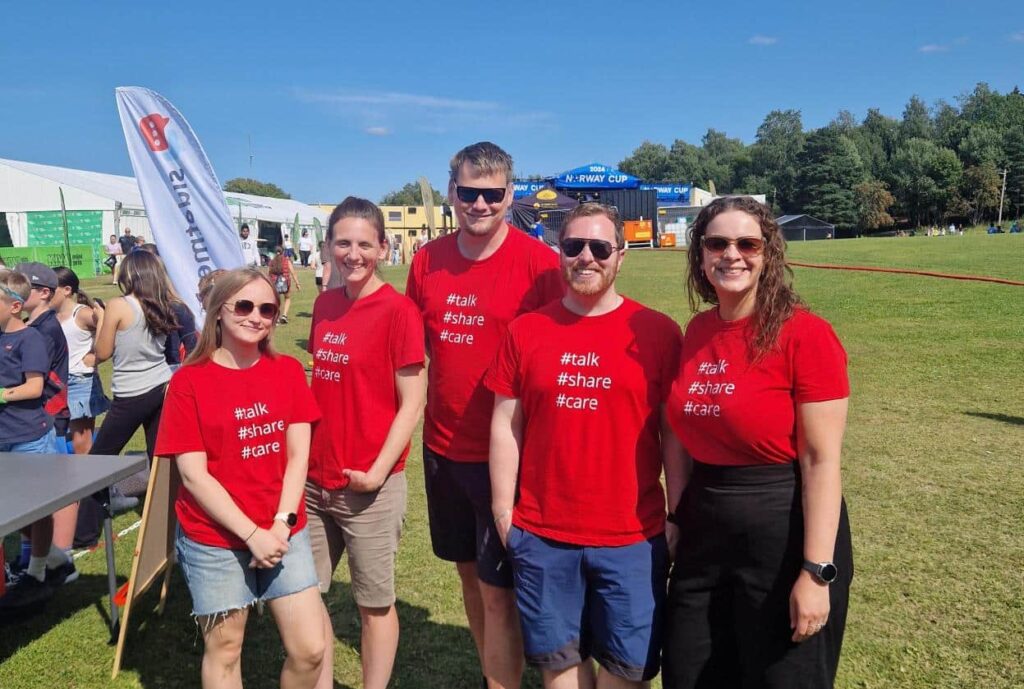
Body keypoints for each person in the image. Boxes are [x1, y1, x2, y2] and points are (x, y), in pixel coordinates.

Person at [660, 196, 853, 689]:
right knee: (690, 670)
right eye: (717, 243)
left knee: (779, 677)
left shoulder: (806, 334)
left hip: (782, 528)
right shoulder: (698, 331)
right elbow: (679, 434)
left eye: (747, 243)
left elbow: (821, 459)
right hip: (705, 529)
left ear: (769, 254)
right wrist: (677, 514)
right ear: (700, 255)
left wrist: (815, 572)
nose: (732, 254)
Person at [487, 203, 682, 688]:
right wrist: (504, 514)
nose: (586, 257)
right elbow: (506, 426)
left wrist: (677, 514)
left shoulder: (657, 332)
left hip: (632, 537)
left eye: (600, 247)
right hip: (544, 535)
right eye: (574, 246)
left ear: (621, 255)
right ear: (560, 253)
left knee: (625, 676)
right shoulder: (526, 331)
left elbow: (673, 435)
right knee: (561, 673)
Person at [406, 141, 563, 689]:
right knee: (470, 577)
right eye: (469, 192)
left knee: (508, 590)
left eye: (491, 194)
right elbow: (417, 354)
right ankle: (494, 670)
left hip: (509, 455)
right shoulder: (426, 260)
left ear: (509, 194)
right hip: (443, 449)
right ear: (452, 191)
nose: (479, 203)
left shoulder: (541, 264)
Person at [155, 268, 326, 689]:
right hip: (214, 538)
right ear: (218, 311)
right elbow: (193, 476)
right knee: (226, 649)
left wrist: (280, 525)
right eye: (244, 306)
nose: (257, 317)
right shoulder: (188, 384)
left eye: (267, 308)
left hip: (283, 530)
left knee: (311, 649)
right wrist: (252, 534)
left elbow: (298, 455)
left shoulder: (286, 371)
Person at [306, 197, 426, 689]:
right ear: (329, 247)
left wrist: (377, 471)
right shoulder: (323, 305)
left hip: (369, 488)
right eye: (343, 243)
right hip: (313, 484)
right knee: (305, 597)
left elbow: (411, 402)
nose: (353, 254)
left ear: (382, 245)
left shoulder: (399, 312)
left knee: (373, 603)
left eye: (363, 244)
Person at [74, 250, 177, 548]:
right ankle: (170, 518)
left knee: (99, 462)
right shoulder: (161, 304)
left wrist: (103, 318)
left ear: (129, 274)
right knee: (160, 457)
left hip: (133, 392)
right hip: (161, 386)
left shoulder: (120, 305)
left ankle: (84, 534)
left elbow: (103, 352)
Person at [0, 269, 61, 611]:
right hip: (4, 437)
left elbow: (34, 388)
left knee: (36, 508)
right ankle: (54, 557)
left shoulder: (31, 339)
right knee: (12, 508)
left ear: (15, 306)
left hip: (30, 438)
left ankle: (37, 572)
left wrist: (1, 395)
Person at [51, 267, 111, 557]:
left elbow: (106, 320)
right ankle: (73, 510)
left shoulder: (82, 313)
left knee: (83, 450)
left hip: (80, 384)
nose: (46, 292)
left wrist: (95, 355)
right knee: (62, 447)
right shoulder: (50, 316)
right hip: (57, 386)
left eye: (52, 287)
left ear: (66, 290)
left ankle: (90, 513)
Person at [268, 246, 300, 324]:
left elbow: (269, 273)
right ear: (283, 252)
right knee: (287, 298)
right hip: (286, 282)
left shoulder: (271, 262)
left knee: (276, 300)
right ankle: (284, 315)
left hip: (275, 283)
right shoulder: (286, 261)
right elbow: (293, 272)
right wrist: (297, 283)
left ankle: (276, 317)